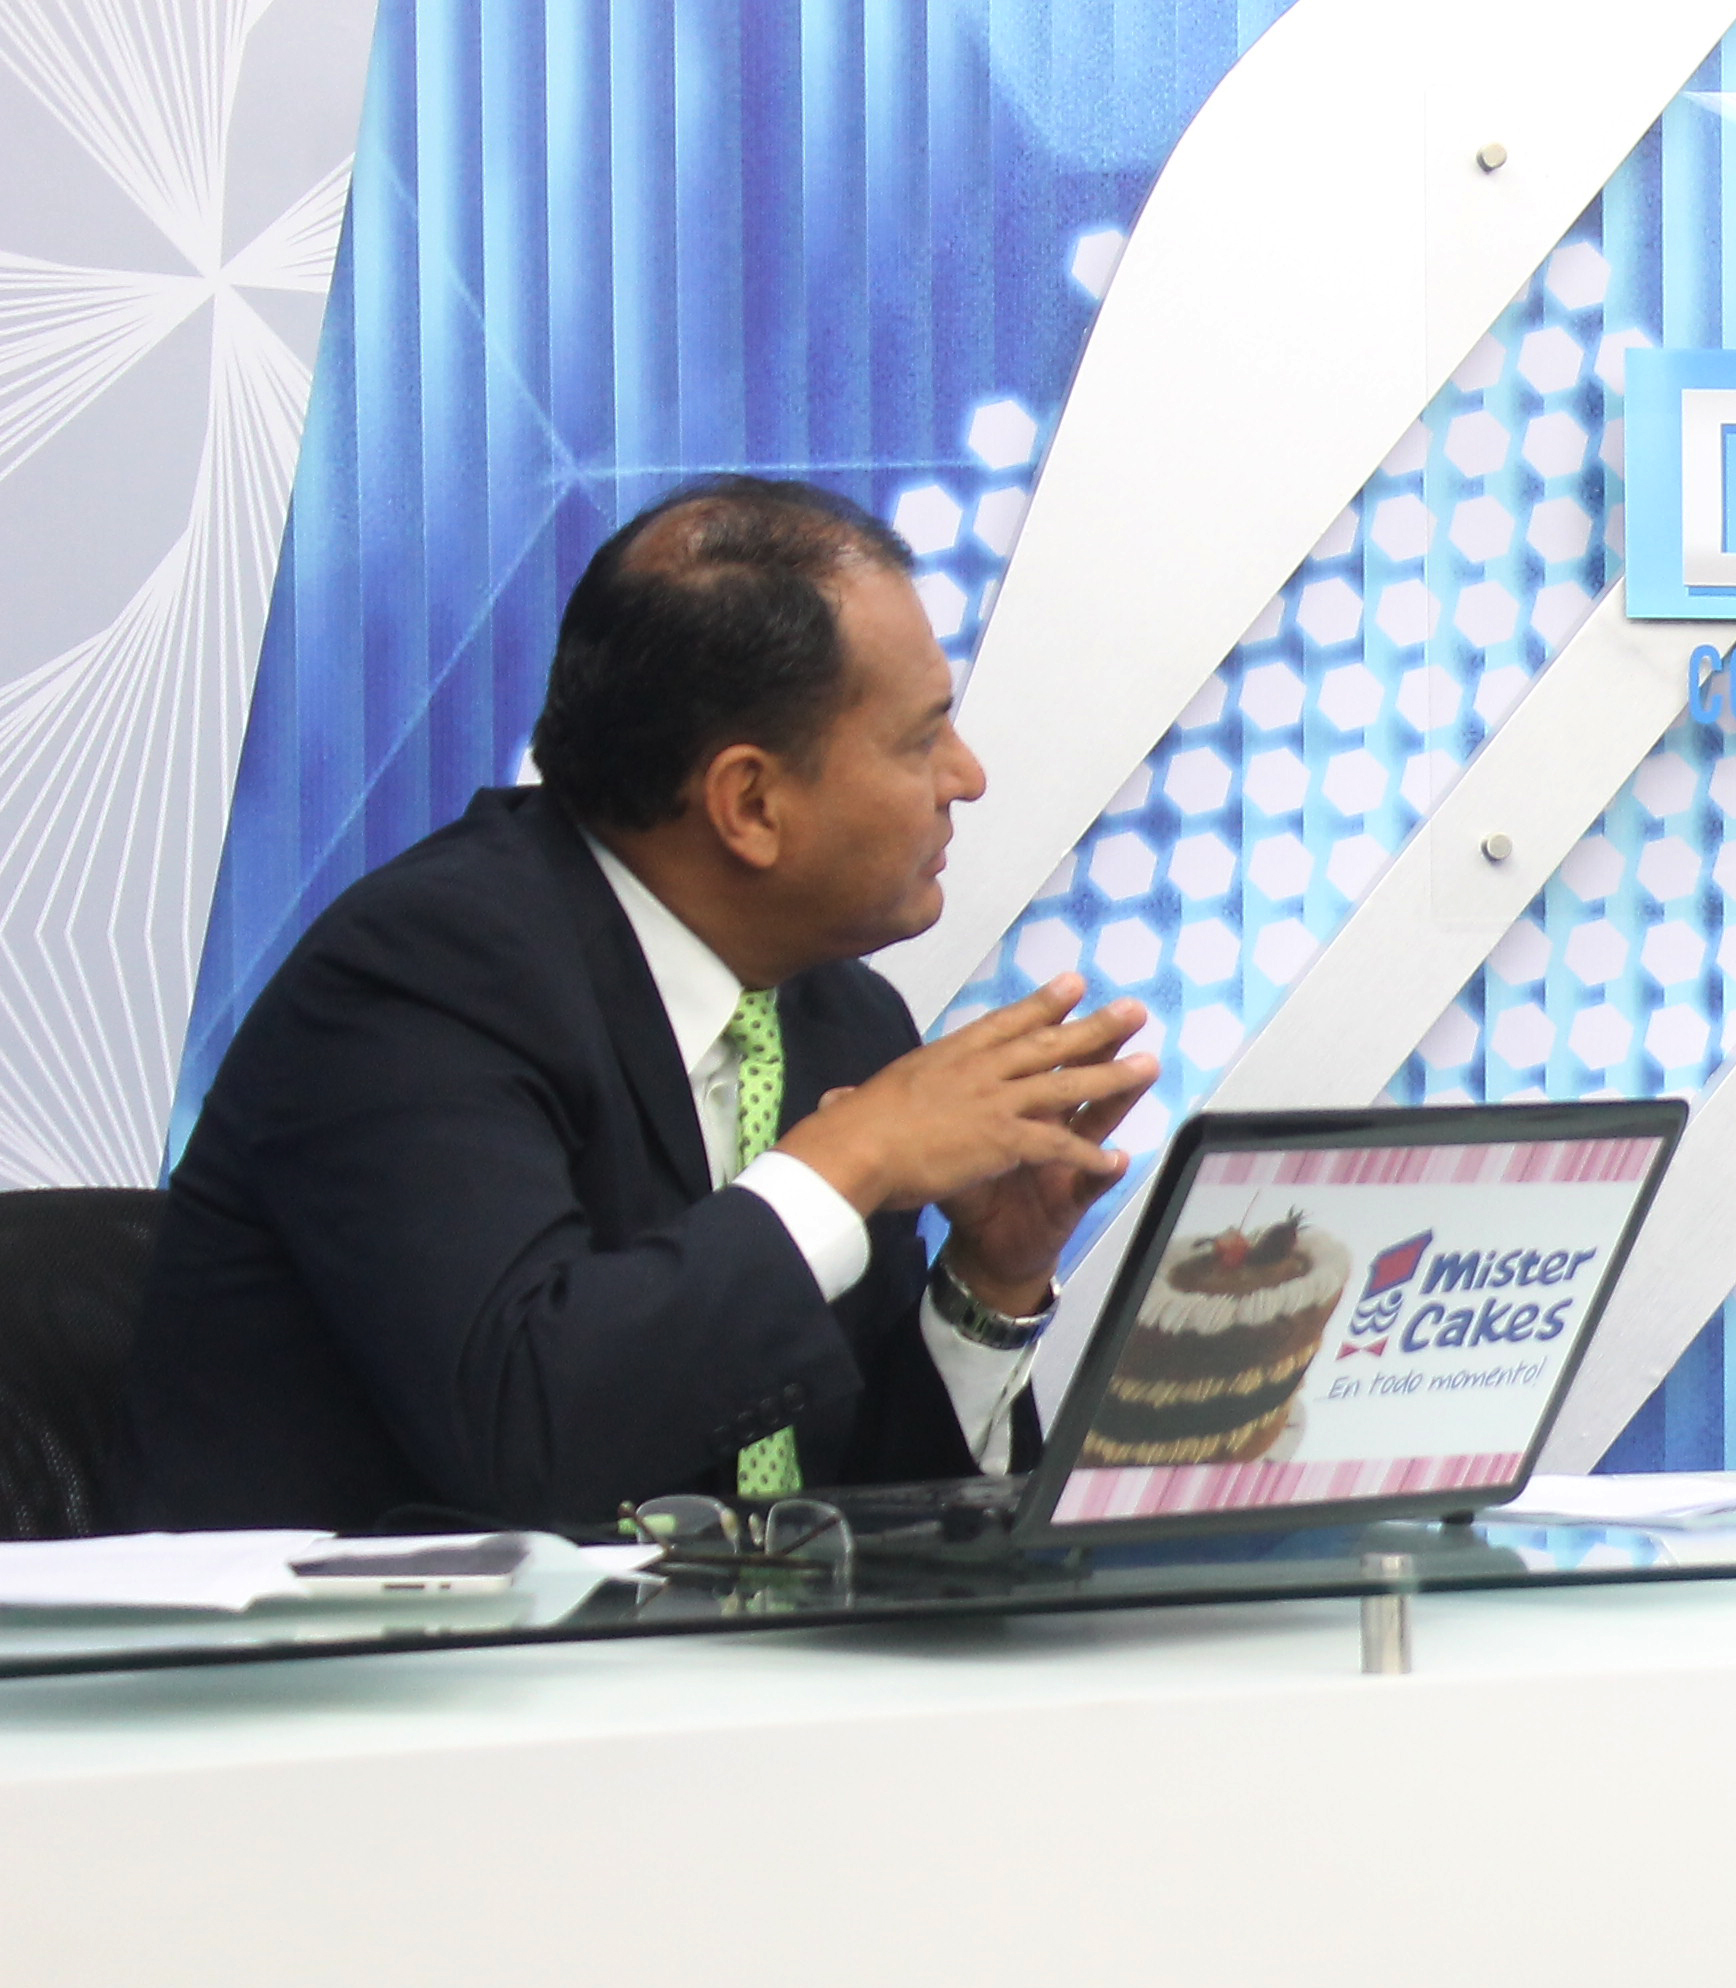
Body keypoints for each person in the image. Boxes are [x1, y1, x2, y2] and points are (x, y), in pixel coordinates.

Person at [122, 477, 1156, 1533]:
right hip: (358, 1639)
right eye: (920, 739)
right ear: (750, 802)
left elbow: (855, 1528)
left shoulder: (844, 1023)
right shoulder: (422, 981)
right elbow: (528, 1447)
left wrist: (989, 1285)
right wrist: (846, 1165)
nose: (966, 778)